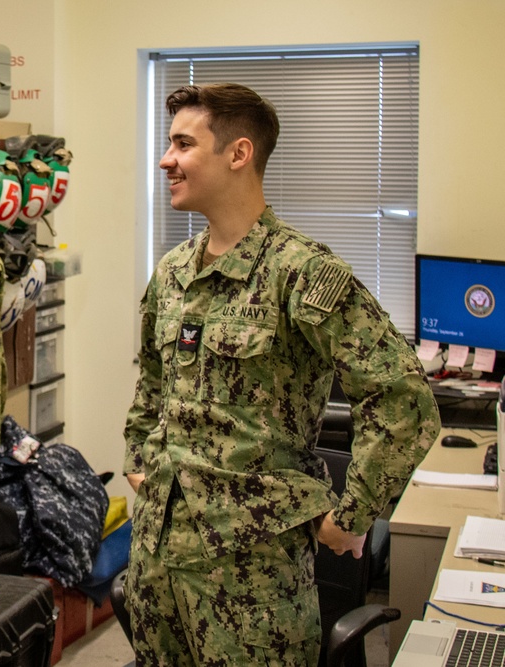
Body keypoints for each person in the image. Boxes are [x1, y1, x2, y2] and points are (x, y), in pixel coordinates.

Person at [122, 83, 440, 665]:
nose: (166, 159)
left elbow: (403, 399)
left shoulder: (301, 272)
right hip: (154, 565)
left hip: (249, 586)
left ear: (238, 154)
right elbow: (150, 385)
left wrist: (352, 516)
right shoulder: (171, 273)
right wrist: (140, 465)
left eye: (183, 144)